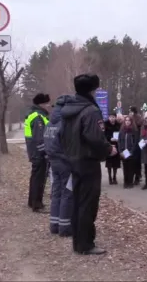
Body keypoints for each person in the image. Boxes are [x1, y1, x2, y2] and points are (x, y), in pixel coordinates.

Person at [60, 73, 116, 255]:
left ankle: (78, 242)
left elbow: (61, 136)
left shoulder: (68, 109)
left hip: (73, 161)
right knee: (88, 205)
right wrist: (109, 149)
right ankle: (86, 244)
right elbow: (94, 137)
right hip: (88, 163)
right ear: (93, 89)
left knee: (77, 202)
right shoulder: (91, 111)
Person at [44, 95, 73, 236]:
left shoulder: (49, 124)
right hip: (65, 163)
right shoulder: (65, 125)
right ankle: (65, 228)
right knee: (67, 194)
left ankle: (54, 225)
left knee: (56, 194)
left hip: (53, 163)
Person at [25, 93, 51, 212]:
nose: (49, 105)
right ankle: (37, 204)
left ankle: (32, 202)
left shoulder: (34, 114)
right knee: (39, 179)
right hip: (39, 154)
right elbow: (40, 138)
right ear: (42, 104)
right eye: (47, 103)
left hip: (35, 152)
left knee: (35, 177)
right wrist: (45, 153)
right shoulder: (38, 117)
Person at [118, 115, 138, 189]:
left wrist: (131, 152)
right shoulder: (122, 130)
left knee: (131, 168)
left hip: (130, 152)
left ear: (131, 122)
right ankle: (125, 182)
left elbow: (135, 142)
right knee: (125, 168)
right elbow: (119, 141)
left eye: (129, 120)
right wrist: (120, 151)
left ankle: (130, 182)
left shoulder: (134, 131)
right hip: (123, 151)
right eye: (126, 120)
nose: (127, 122)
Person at [104, 112, 121, 185]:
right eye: (110, 117)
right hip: (109, 145)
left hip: (116, 145)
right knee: (109, 163)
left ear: (115, 117)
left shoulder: (118, 125)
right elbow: (103, 135)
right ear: (108, 117)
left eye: (113, 117)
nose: (112, 118)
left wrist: (118, 139)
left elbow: (121, 134)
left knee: (115, 163)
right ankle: (110, 177)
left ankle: (114, 177)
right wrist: (110, 139)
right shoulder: (105, 125)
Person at [129, 106, 143, 185]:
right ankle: (135, 176)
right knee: (133, 161)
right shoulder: (132, 118)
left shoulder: (137, 119)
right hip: (133, 143)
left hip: (136, 143)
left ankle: (137, 177)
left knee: (136, 161)